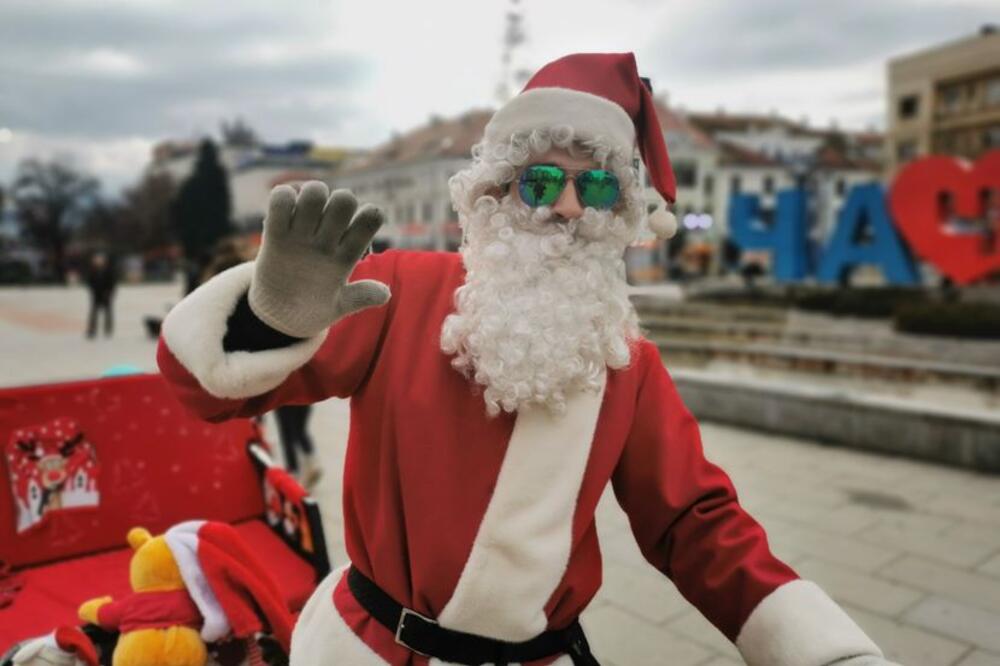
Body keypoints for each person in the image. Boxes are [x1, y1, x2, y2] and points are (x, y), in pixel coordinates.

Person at [157, 54, 897, 665]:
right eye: (543, 180)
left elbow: (697, 524)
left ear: (618, 212)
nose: (569, 207)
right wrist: (267, 319)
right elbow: (208, 395)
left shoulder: (627, 362)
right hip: (370, 649)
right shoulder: (402, 291)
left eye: (596, 184)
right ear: (495, 191)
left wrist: (823, 651)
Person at [84, 252, 117, 339]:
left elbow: (112, 283)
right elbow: (90, 282)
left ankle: (108, 329)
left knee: (108, 313)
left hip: (106, 295)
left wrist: (109, 292)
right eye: (97, 261)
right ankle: (92, 330)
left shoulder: (109, 271)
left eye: (100, 260)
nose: (98, 262)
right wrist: (93, 291)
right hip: (96, 295)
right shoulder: (93, 271)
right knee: (93, 313)